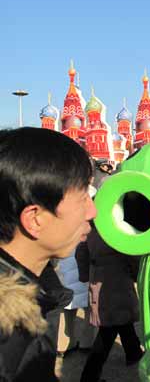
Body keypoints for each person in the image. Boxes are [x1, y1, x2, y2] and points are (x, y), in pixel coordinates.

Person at [0, 127, 96, 382]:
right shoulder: (9, 337)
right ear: (35, 219)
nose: (92, 211)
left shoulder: (37, 293)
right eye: (83, 197)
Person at [77, 223, 143, 382]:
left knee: (120, 321)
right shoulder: (116, 229)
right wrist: (136, 274)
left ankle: (133, 352)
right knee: (108, 329)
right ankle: (89, 377)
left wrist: (85, 274)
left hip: (98, 279)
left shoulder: (90, 229)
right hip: (117, 280)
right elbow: (131, 255)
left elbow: (81, 253)